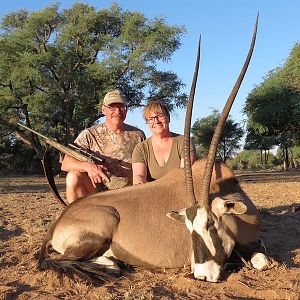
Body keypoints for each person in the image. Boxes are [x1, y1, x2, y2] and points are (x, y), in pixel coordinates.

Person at [61, 89, 145, 203]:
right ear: (103, 109)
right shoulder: (89, 134)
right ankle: (80, 218)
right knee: (73, 177)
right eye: (112, 107)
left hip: (130, 194)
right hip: (98, 193)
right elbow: (66, 164)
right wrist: (88, 166)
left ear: (127, 110)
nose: (118, 111)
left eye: (122, 107)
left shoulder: (138, 135)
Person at [132, 101, 196, 185]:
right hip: (152, 194)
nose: (156, 121)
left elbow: (184, 174)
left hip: (180, 191)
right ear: (147, 123)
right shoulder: (141, 148)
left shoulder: (184, 142)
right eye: (150, 119)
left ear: (168, 118)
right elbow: (138, 175)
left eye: (160, 116)